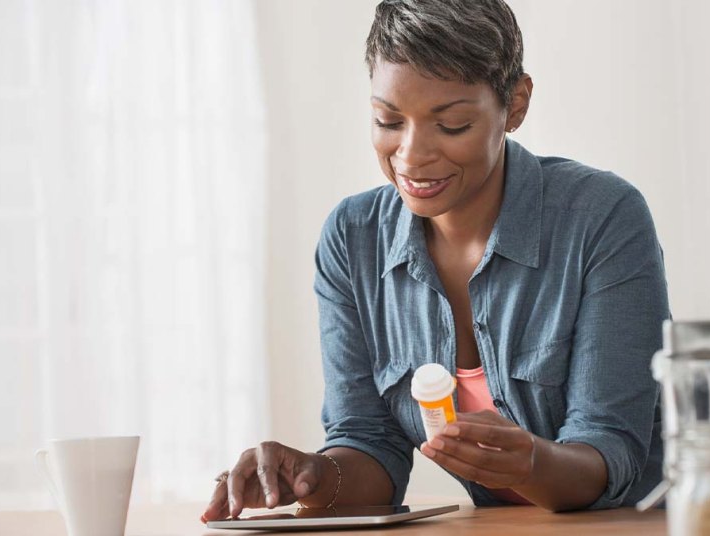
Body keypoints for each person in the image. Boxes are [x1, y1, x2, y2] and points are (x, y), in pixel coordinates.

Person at [201, 0, 669, 520]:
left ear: (515, 105)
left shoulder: (602, 217)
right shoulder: (353, 240)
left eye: (451, 125)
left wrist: (530, 462)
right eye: (388, 120)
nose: (411, 155)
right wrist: (314, 476)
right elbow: (369, 443)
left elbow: (609, 450)